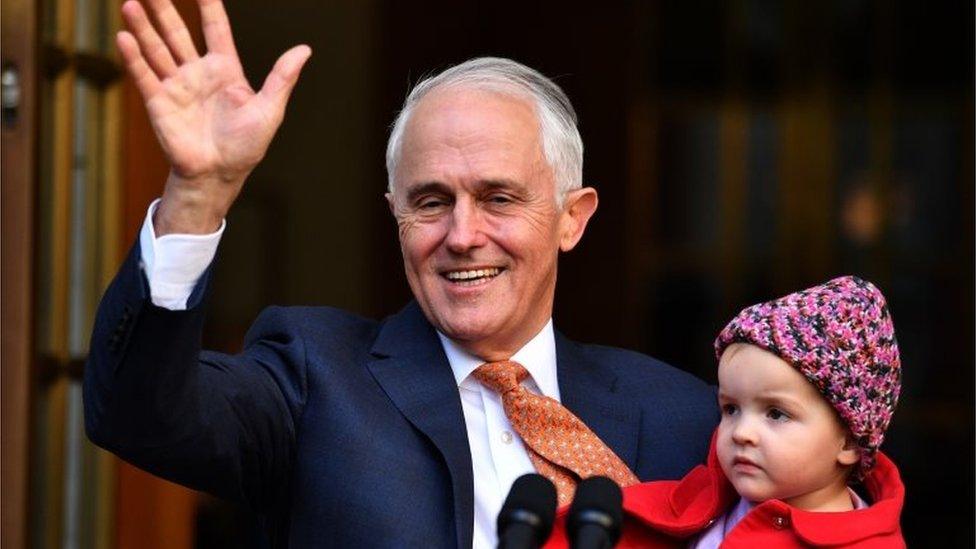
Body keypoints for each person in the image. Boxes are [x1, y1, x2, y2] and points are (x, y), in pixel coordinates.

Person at [83, 0, 718, 547]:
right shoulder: (313, 378)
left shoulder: (680, 416)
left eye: (499, 199)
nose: (463, 237)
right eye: (431, 202)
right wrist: (198, 194)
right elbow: (141, 414)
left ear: (571, 219)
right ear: (396, 215)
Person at [547, 275, 906, 548]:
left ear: (849, 442)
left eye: (776, 414)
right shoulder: (701, 504)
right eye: (731, 409)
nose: (741, 432)